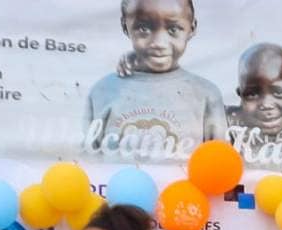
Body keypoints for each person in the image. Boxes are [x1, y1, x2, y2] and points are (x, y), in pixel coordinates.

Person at [85, 0, 226, 157]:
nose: (159, 43)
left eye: (173, 29)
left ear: (191, 28)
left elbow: (218, 161)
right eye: (144, 29)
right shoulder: (103, 91)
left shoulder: (206, 94)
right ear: (126, 27)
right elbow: (90, 160)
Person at [230, 42, 282, 146]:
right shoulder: (225, 132)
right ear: (241, 96)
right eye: (252, 95)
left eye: (279, 93)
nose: (266, 104)